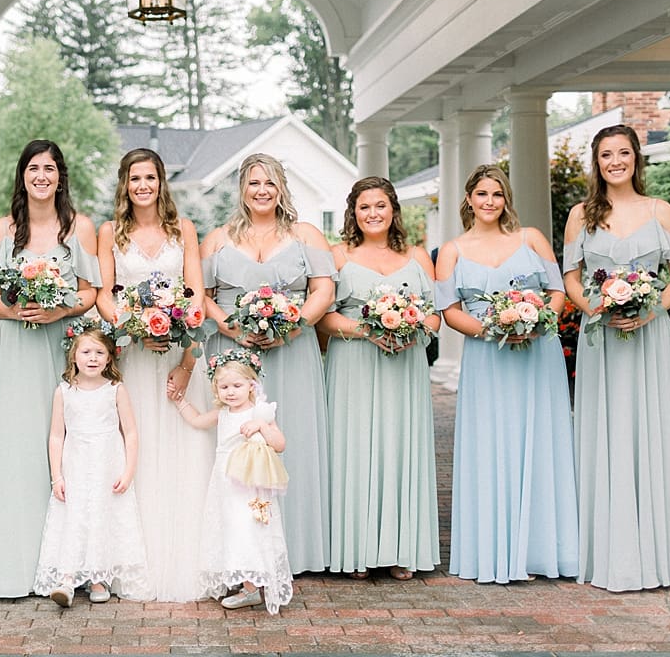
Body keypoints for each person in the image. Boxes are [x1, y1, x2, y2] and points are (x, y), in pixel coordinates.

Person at [562, 124, 670, 591]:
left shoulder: (661, 211)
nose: (615, 161)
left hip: (648, 338)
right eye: (605, 155)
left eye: (622, 153)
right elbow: (571, 279)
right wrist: (594, 305)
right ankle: (605, 552)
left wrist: (651, 307)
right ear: (596, 163)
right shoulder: (582, 215)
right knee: (605, 429)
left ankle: (653, 552)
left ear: (636, 157)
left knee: (649, 430)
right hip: (602, 340)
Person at [435, 164, 577, 584]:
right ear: (469, 199)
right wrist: (495, 329)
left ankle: (547, 550)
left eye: (496, 194)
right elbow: (449, 312)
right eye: (481, 193)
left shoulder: (530, 238)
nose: (489, 201)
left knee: (541, 440)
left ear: (506, 199)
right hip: (488, 356)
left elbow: (557, 293)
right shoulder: (452, 251)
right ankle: (494, 550)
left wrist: (535, 324)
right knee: (493, 442)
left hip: (537, 353)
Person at [200, 153, 334, 573]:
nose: (262, 191)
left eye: (270, 183)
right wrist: (233, 330)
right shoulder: (217, 238)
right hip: (232, 355)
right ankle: (240, 553)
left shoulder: (306, 235)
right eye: (254, 183)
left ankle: (295, 548)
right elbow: (201, 294)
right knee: (233, 445)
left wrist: (292, 328)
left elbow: (323, 291)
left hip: (292, 352)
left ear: (282, 189)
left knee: (291, 440)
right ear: (242, 188)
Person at [0, 140, 101, 597]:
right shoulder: (0, 231)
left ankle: (69, 566)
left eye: (49, 168)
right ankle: (12, 563)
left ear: (60, 176)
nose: (41, 176)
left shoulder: (79, 228)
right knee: (17, 447)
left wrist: (59, 310)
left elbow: (90, 292)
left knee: (67, 447)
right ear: (22, 176)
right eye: (33, 168)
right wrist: (14, 312)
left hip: (60, 345)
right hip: (16, 348)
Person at [95, 148, 214, 601]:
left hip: (176, 357)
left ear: (162, 182)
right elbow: (106, 295)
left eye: (150, 177)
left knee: (183, 455)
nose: (143, 185)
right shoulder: (111, 232)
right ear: (124, 185)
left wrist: (186, 361)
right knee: (135, 451)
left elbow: (196, 295)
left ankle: (184, 561)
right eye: (134, 178)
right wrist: (133, 325)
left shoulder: (183, 230)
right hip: (135, 358)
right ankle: (134, 561)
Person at [317, 176, 440, 582]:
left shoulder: (418, 256)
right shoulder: (337, 255)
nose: (373, 214)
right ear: (353, 212)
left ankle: (401, 548)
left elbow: (436, 315)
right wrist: (369, 330)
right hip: (354, 365)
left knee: (399, 447)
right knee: (354, 449)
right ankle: (356, 549)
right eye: (365, 207)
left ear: (394, 210)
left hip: (403, 367)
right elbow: (324, 317)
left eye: (381, 206)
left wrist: (412, 328)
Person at [34, 327, 150, 607]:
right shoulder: (64, 391)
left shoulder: (115, 390)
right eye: (86, 352)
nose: (93, 358)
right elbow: (56, 435)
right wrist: (56, 476)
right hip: (75, 464)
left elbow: (130, 432)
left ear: (110, 359)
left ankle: (99, 578)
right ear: (74, 356)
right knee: (73, 515)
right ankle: (66, 579)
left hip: (107, 464)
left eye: (100, 353)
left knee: (101, 515)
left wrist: (128, 471)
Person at [174, 348, 292, 614]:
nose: (230, 392)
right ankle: (240, 582)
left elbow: (280, 444)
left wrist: (261, 426)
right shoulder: (223, 413)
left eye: (237, 386)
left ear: (251, 385)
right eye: (223, 386)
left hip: (249, 484)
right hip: (225, 483)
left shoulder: (260, 413)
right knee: (230, 529)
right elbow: (197, 420)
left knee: (247, 529)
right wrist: (179, 401)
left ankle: (251, 589)